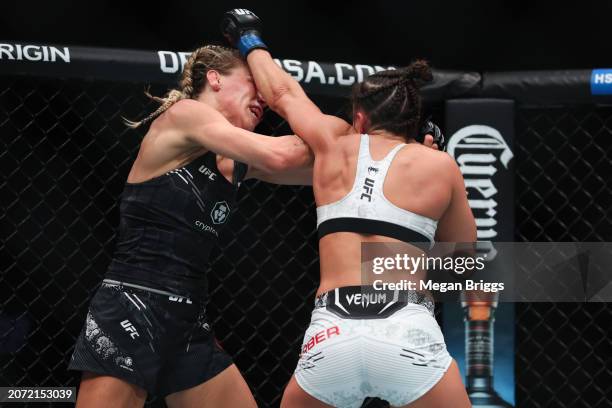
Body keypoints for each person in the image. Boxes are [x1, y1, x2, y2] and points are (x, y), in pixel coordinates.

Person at [221, 9, 476, 408]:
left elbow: (283, 94)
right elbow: (462, 263)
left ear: (358, 117)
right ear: (413, 122)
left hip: (332, 332)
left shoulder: (332, 145)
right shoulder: (439, 165)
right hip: (405, 331)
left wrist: (249, 38)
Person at [68, 44, 316, 408]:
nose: (262, 97)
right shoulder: (184, 116)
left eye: (266, 92)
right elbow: (283, 153)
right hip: (132, 309)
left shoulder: (233, 162)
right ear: (214, 79)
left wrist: (400, 150)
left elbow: (331, 164)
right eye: (253, 84)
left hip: (188, 323)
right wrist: (286, 98)